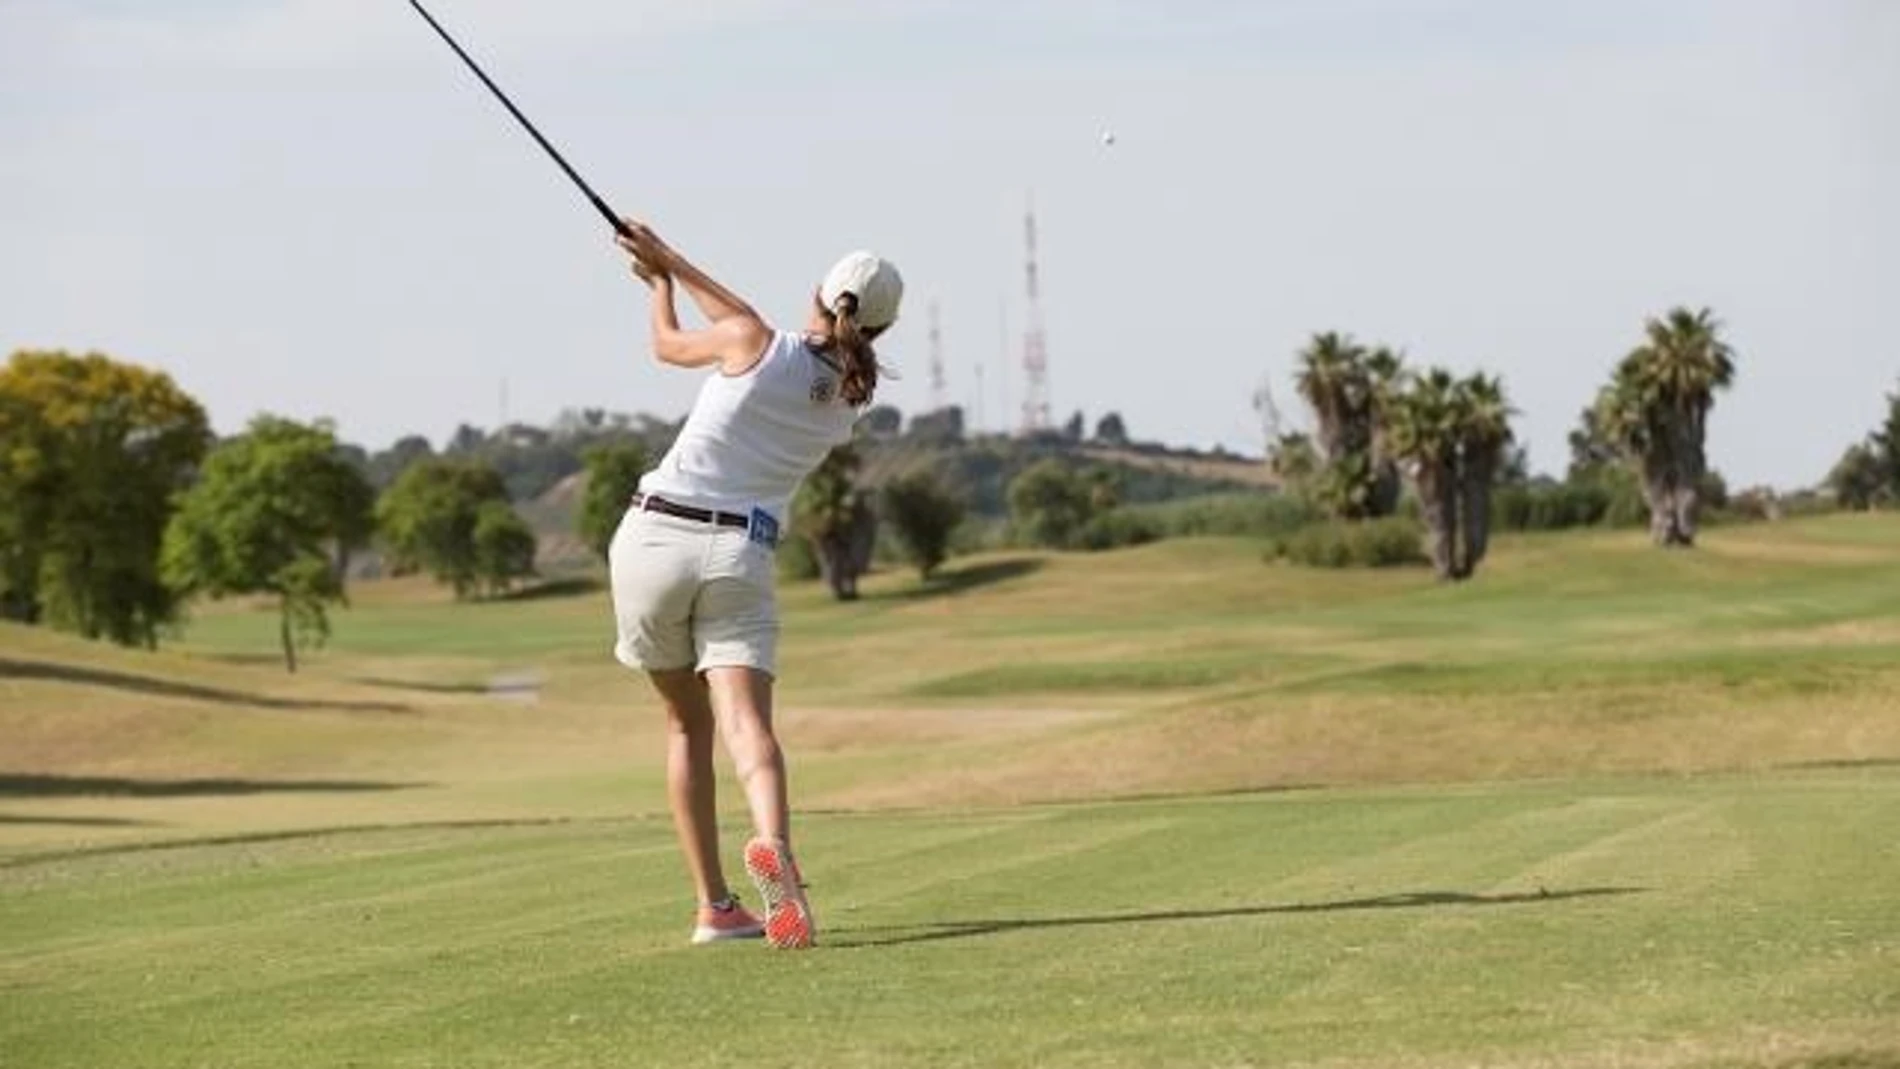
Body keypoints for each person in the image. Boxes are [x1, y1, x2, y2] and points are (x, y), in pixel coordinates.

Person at [606, 218, 903, 950]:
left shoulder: (751, 340)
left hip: (652, 541)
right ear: (880, 330)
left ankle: (715, 905)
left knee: (685, 724)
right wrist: (670, 260)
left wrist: (660, 284)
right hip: (738, 553)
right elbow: (750, 324)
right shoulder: (846, 402)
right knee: (749, 728)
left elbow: (671, 345)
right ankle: (778, 855)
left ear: (817, 295)